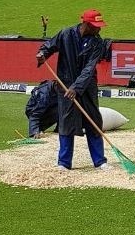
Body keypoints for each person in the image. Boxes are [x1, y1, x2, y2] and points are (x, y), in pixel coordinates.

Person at [35, 9, 112, 170]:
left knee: (93, 122)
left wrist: (76, 87)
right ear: (86, 24)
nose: (99, 29)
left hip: (87, 87)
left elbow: (89, 69)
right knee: (66, 122)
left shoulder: (97, 43)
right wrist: (42, 54)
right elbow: (48, 46)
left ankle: (100, 161)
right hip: (65, 86)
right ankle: (64, 163)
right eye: (95, 26)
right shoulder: (65, 34)